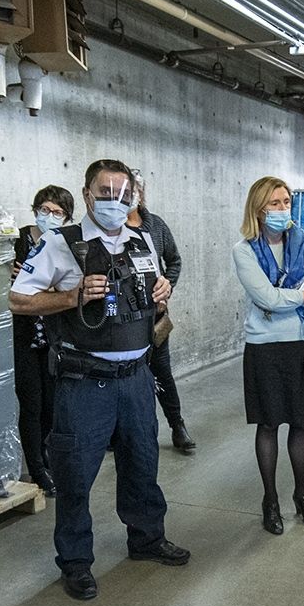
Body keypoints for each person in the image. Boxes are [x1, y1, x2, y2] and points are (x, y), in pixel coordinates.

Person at [9, 158, 190, 601]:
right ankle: (76, 562)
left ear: (133, 196)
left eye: (121, 192)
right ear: (87, 194)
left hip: (135, 378)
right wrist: (72, 296)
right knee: (75, 478)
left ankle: (146, 538)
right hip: (86, 383)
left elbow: (151, 296)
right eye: (103, 192)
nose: (113, 200)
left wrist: (163, 292)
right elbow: (18, 299)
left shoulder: (143, 240)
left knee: (142, 465)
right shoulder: (60, 243)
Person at [231, 176, 304, 534]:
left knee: (301, 422)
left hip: (302, 342)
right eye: (274, 204)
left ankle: (302, 496)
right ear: (258, 209)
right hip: (264, 347)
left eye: (286, 202)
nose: (282, 210)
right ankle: (270, 500)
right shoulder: (244, 250)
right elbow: (266, 299)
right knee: (268, 423)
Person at [126, 169, 198, 456]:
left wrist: (168, 287)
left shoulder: (155, 225)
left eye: (135, 191)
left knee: (162, 373)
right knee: (128, 377)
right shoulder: (111, 229)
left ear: (142, 194)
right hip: (123, 320)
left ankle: (177, 425)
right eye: (125, 192)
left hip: (154, 317)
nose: (131, 197)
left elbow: (174, 260)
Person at [12, 184, 75, 496]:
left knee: (51, 405)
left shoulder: (63, 244)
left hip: (51, 338)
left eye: (58, 212)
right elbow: (17, 290)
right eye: (46, 210)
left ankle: (46, 456)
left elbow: (60, 289)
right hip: (24, 338)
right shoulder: (18, 240)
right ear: (36, 209)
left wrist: (45, 290)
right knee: (31, 405)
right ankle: (36, 468)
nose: (50, 216)